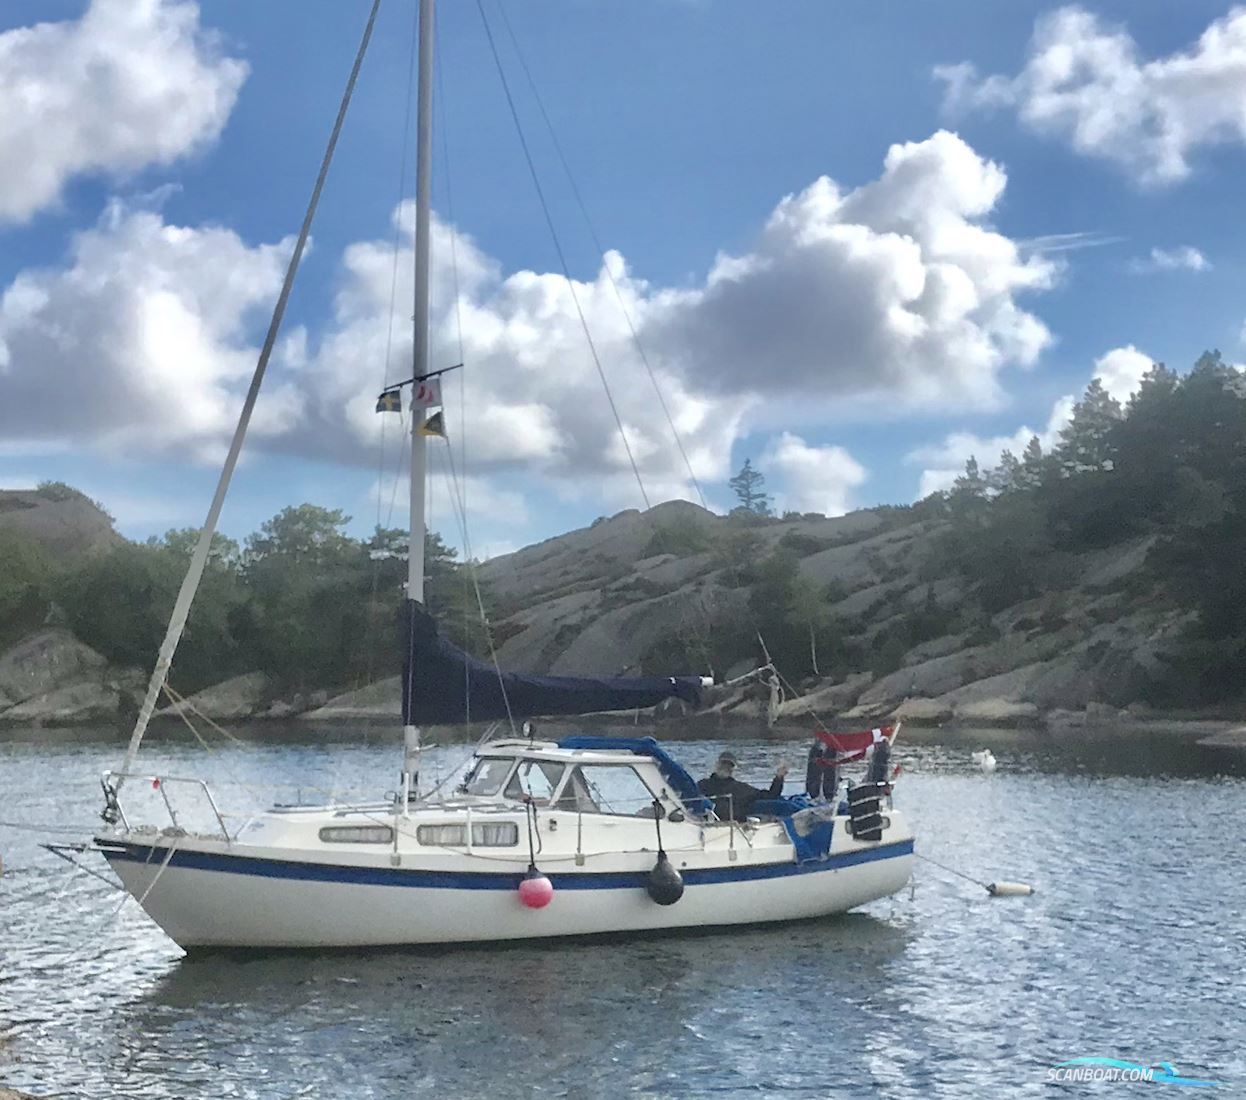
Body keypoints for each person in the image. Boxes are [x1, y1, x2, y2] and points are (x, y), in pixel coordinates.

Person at [698, 750, 788, 821]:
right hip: (702, 826)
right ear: (717, 764)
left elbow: (771, 795)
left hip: (735, 829)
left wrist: (779, 777)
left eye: (729, 765)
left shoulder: (741, 789)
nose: (725, 767)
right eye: (723, 764)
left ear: (733, 769)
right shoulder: (702, 785)